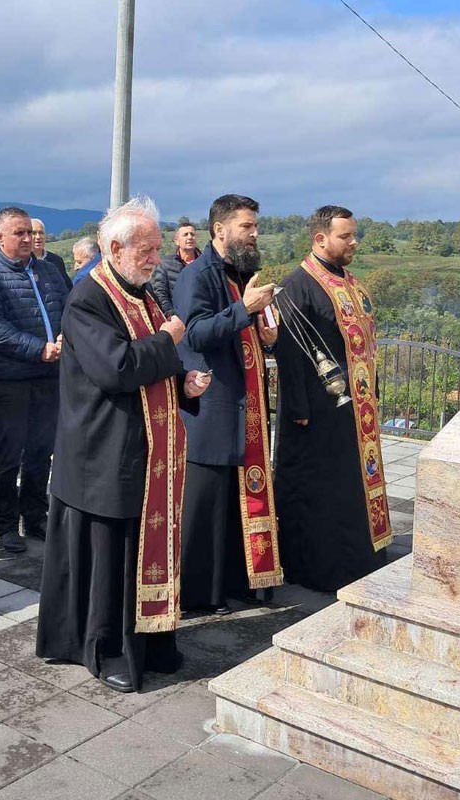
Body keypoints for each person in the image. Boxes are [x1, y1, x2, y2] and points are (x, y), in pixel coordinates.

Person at [36, 196, 210, 693]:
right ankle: (106, 649)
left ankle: (153, 641)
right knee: (111, 560)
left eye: (158, 248)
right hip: (102, 452)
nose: (156, 257)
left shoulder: (143, 293)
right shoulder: (88, 298)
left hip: (146, 451)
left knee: (143, 551)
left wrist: (184, 383)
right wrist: (170, 342)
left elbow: (151, 364)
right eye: (148, 249)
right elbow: (116, 369)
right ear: (115, 247)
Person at [174, 194, 282, 615]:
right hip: (214, 408)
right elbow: (196, 334)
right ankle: (201, 594)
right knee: (208, 507)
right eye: (246, 227)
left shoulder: (242, 273)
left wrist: (265, 328)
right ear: (219, 230)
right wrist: (244, 310)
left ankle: (242, 582)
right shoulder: (196, 276)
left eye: (255, 227)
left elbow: (247, 328)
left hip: (247, 407)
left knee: (239, 501)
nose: (254, 234)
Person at [275, 206, 391, 590]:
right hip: (319, 412)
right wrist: (298, 409)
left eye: (354, 234)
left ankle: (359, 558)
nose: (353, 241)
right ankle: (321, 569)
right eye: (346, 236)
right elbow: (290, 355)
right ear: (320, 239)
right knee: (322, 491)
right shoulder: (298, 286)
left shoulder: (352, 283)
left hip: (356, 412)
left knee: (352, 487)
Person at [0, 207, 69, 553]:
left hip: (49, 376)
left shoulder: (50, 271)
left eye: (30, 232)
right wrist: (37, 348)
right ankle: (6, 523)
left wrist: (64, 339)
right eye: (19, 233)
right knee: (6, 453)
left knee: (41, 452)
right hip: (9, 380)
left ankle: (36, 517)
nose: (28, 239)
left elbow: (69, 309)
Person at [148, 217, 200, 317]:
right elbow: (160, 293)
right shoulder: (165, 264)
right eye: (185, 235)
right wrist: (172, 316)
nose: (190, 237)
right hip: (178, 321)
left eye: (192, 234)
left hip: (202, 320)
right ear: (177, 240)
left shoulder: (204, 263)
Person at [31, 217, 73, 286]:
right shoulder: (23, 262)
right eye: (34, 233)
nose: (38, 237)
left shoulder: (56, 260)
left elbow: (67, 287)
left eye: (41, 233)